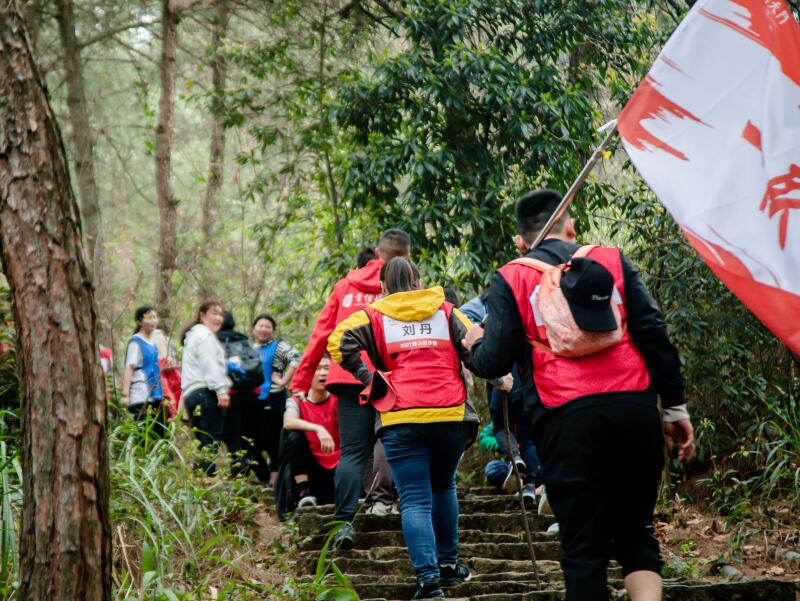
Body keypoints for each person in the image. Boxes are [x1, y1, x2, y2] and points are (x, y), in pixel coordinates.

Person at [464, 189, 695, 601]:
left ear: (521, 241)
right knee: (636, 535)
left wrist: (473, 344)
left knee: (583, 548)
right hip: (634, 408)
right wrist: (675, 408)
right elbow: (653, 331)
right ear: (571, 228)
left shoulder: (512, 276)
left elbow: (494, 360)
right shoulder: (611, 260)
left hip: (565, 418)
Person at [329, 257, 478, 600]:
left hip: (401, 414)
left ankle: (428, 581)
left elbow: (337, 342)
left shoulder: (373, 314)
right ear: (418, 281)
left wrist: (370, 378)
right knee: (443, 486)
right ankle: (448, 565)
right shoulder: (446, 311)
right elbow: (474, 346)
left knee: (414, 498)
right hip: (450, 413)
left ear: (382, 286)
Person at [290, 229, 411, 549]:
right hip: (394, 379)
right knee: (396, 444)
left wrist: (300, 382)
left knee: (353, 452)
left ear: (377, 252)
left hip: (349, 377)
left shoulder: (345, 286)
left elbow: (320, 335)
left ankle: (344, 523)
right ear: (407, 257)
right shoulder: (408, 286)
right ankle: (403, 510)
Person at [181, 301, 232, 476]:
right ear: (202, 315)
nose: (218, 318)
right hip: (205, 392)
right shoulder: (204, 335)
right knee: (211, 439)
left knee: (202, 440)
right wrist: (221, 391)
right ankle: (207, 478)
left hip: (192, 394)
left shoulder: (194, 335)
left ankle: (199, 479)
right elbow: (209, 364)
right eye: (214, 313)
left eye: (221, 314)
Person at [282, 355, 340, 507]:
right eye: (317, 369)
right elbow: (288, 422)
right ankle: (304, 493)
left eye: (327, 368)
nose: (323, 373)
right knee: (293, 436)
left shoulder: (339, 399)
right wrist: (318, 428)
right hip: (311, 468)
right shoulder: (297, 400)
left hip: (339, 468)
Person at [251, 313, 300, 486]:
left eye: (268, 326)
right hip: (254, 400)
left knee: (274, 439)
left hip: (274, 398)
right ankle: (264, 476)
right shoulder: (249, 348)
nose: (264, 329)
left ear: (273, 330)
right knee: (252, 440)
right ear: (253, 329)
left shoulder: (278, 346)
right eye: (261, 325)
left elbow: (296, 357)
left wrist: (284, 380)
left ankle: (273, 481)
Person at [217, 311, 256, 476]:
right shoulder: (243, 340)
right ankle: (244, 470)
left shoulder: (214, 340)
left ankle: (238, 471)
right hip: (250, 393)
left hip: (227, 394)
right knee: (245, 434)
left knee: (229, 434)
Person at [122, 306, 168, 438]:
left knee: (160, 433)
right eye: (149, 317)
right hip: (141, 393)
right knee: (143, 432)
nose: (153, 321)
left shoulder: (153, 343)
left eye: (155, 317)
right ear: (139, 321)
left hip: (155, 393)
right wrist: (125, 395)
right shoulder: (136, 342)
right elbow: (129, 368)